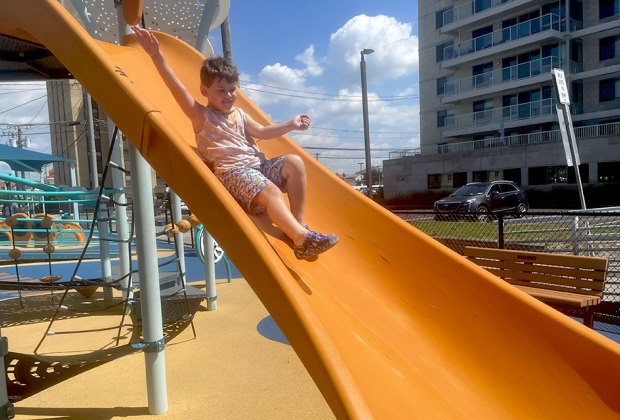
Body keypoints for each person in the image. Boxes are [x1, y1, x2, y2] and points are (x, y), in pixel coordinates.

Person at [131, 25, 338, 260]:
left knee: (295, 162)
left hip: (258, 168)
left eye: (232, 89)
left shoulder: (239, 114)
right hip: (233, 174)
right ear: (204, 91)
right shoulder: (201, 115)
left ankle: (300, 228)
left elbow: (262, 131)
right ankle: (301, 239)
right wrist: (156, 54)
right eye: (221, 90)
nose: (228, 95)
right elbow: (174, 86)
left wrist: (290, 125)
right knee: (270, 191)